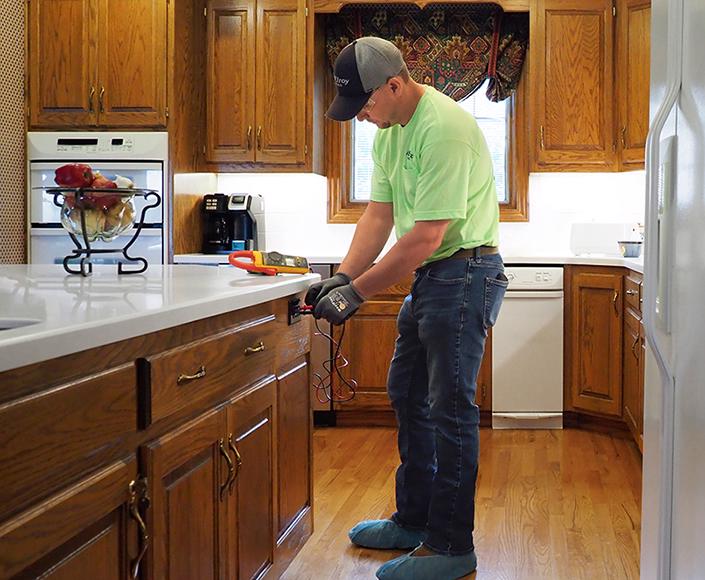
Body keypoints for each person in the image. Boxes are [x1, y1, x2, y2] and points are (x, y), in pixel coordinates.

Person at [305, 36, 508, 580]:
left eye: (366, 104)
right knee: (407, 392)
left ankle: (450, 546)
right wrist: (344, 275)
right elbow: (378, 216)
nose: (363, 116)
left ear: (395, 84)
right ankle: (415, 519)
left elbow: (425, 236)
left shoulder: (444, 129)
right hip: (433, 276)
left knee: (450, 408)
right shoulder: (390, 134)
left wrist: (358, 293)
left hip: (465, 273)